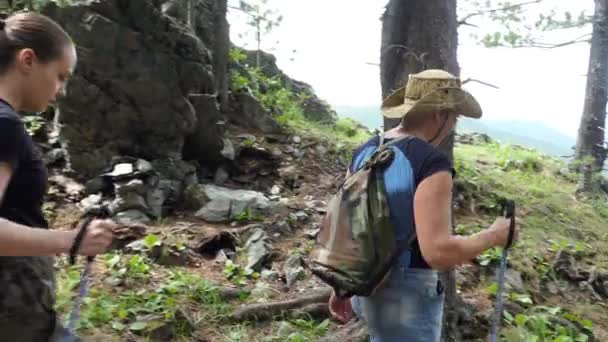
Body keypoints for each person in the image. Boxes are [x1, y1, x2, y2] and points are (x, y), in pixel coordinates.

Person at [328, 69, 519, 342]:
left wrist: (342, 287)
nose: (453, 124)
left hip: (365, 288)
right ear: (441, 114)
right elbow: (438, 252)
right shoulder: (430, 162)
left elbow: (350, 228)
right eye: (455, 117)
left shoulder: (366, 151)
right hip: (406, 298)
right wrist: (495, 235)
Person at [0, 12, 115, 341]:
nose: (62, 90)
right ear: (27, 60)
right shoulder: (4, 125)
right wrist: (72, 241)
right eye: (61, 75)